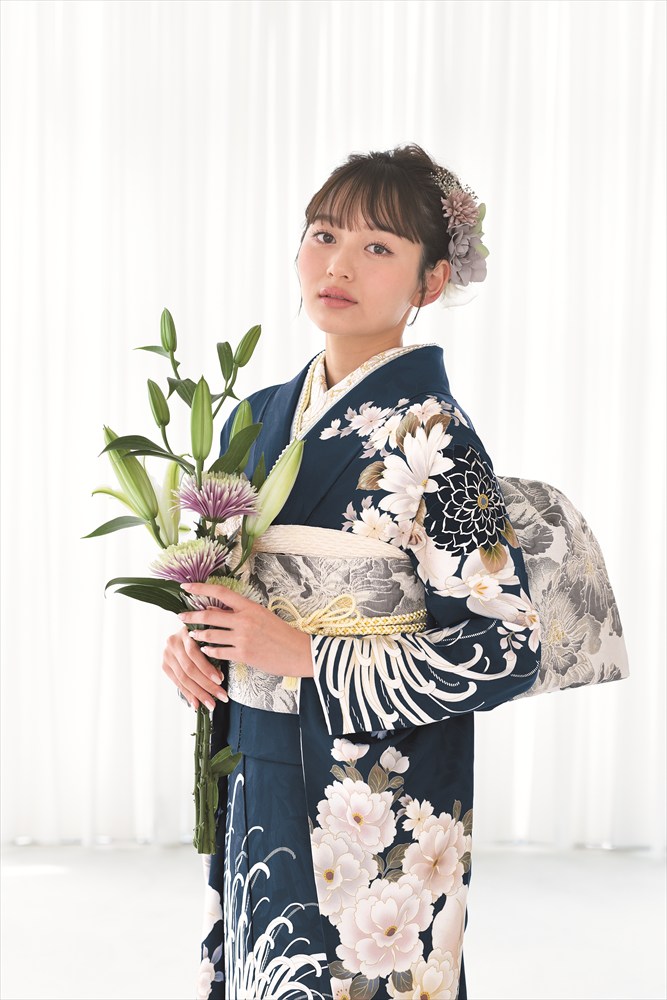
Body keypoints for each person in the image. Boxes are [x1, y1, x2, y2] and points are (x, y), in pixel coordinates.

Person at [161, 143, 542, 1000]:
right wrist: (199, 644)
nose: (337, 265)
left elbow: (504, 651)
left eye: (377, 247)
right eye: (323, 234)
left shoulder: (436, 438)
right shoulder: (255, 418)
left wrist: (306, 655)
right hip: (260, 764)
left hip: (378, 792)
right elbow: (236, 599)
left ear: (429, 282)